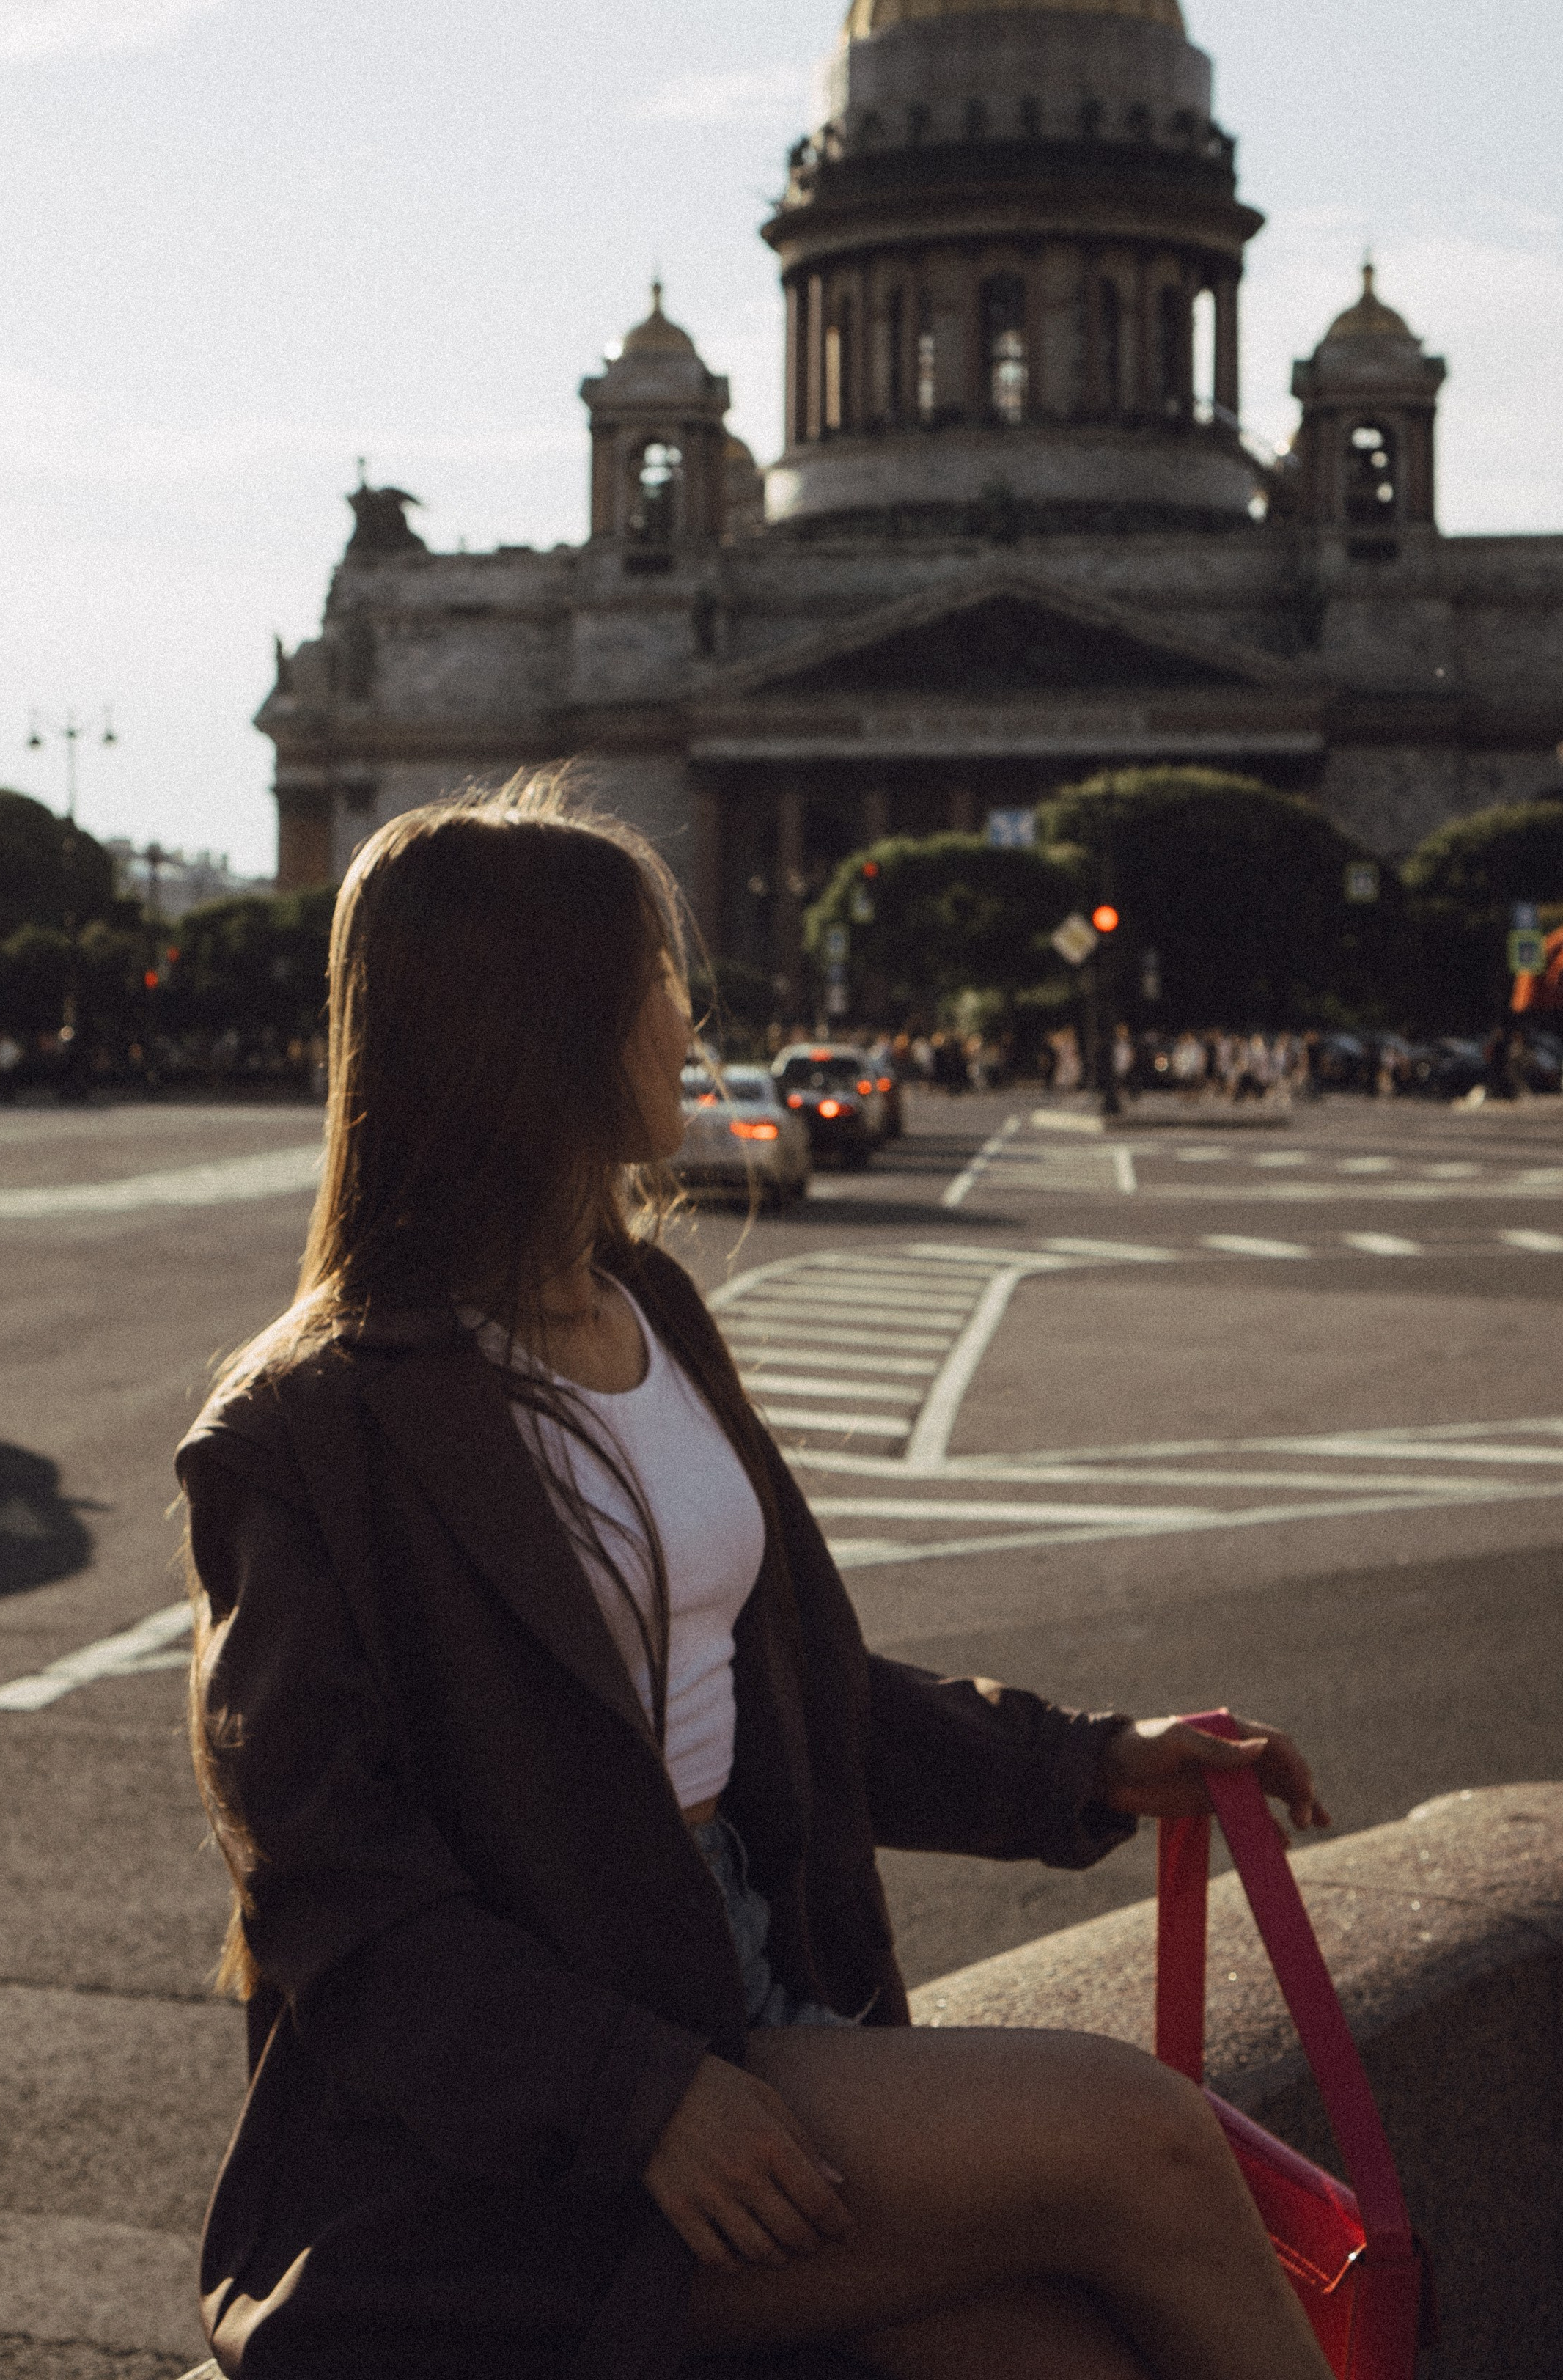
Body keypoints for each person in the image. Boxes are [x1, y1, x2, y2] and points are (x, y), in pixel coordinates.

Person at [177, 776, 1335, 2380]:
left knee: (1055, 2357)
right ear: (540, 1027)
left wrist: (1086, 1763)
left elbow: (791, 1688)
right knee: (1138, 2136)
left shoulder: (644, 1305)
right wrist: (636, 2096)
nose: (688, 1019)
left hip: (750, 1986)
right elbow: (324, 1877)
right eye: (655, 977)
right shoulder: (301, 1425)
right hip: (505, 2134)